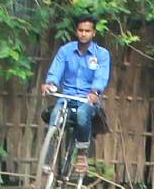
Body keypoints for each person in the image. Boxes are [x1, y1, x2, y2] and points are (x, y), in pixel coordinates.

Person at [42, 15, 111, 177]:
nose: (83, 34)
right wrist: (50, 83)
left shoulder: (102, 54)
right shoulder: (65, 51)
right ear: (76, 32)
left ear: (93, 33)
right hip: (67, 97)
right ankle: (48, 157)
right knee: (55, 114)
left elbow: (101, 76)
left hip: (88, 100)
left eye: (87, 31)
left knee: (82, 113)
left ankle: (81, 154)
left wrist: (95, 92)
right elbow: (56, 70)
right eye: (80, 30)